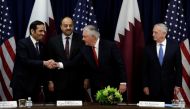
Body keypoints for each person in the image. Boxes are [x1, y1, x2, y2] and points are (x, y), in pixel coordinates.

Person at [10, 20, 57, 102]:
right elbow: (25, 61)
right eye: (40, 31)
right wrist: (44, 63)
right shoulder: (22, 43)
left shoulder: (42, 45)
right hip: (21, 85)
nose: (43, 33)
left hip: (35, 86)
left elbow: (43, 64)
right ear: (32, 31)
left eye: (44, 31)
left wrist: (50, 63)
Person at [82, 25, 127, 101]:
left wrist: (123, 82)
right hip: (95, 88)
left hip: (111, 86)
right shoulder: (85, 49)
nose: (83, 39)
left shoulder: (110, 46)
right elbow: (85, 66)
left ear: (93, 37)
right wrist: (86, 78)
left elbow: (120, 65)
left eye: (85, 36)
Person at [142, 23, 182, 103]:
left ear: (164, 33)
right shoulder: (148, 48)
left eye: (155, 32)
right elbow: (144, 69)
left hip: (168, 87)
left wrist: (178, 84)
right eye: (153, 32)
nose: (153, 34)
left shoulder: (174, 47)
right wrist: (145, 85)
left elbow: (178, 67)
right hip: (152, 87)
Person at [46, 17, 84, 101]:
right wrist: (50, 80)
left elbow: (83, 61)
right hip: (58, 82)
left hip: (77, 82)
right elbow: (49, 61)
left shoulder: (82, 39)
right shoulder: (52, 41)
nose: (68, 28)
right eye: (65, 25)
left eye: (70, 25)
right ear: (61, 27)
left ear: (73, 26)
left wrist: (87, 78)